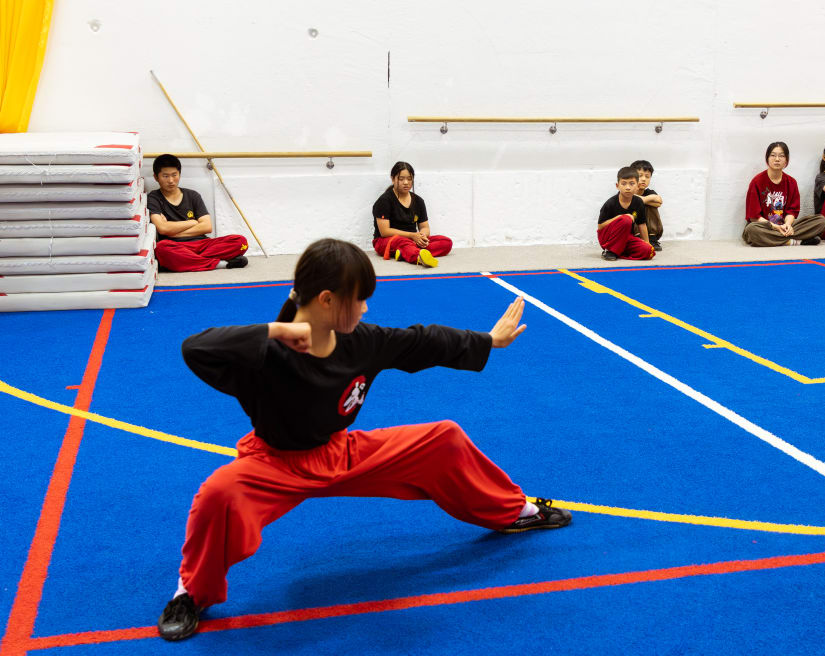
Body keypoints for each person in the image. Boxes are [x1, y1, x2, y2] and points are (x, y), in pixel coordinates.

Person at [157, 238, 571, 641]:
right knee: (217, 493)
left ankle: (515, 511)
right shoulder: (266, 354)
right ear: (326, 300)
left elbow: (422, 340)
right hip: (274, 464)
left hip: (340, 453)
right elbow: (196, 348)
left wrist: (487, 341)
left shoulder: (362, 341)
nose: (366, 307)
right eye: (358, 299)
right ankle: (191, 592)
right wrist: (273, 330)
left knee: (443, 438)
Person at [147, 154, 248, 272]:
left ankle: (189, 261)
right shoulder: (153, 198)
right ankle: (220, 264)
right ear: (156, 177)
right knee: (161, 249)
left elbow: (207, 227)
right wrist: (192, 222)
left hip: (203, 244)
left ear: (179, 174)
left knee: (241, 242)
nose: (171, 180)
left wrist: (173, 232)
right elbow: (163, 229)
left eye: (174, 175)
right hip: (176, 246)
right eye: (165, 176)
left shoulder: (193, 195)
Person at [743, 142, 825, 247]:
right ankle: (794, 241)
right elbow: (754, 217)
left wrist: (787, 225)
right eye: (773, 155)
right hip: (764, 227)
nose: (777, 159)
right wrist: (775, 227)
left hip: (784, 224)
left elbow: (792, 211)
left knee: (821, 221)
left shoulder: (791, 182)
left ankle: (776, 239)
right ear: (767, 159)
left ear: (786, 160)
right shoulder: (757, 181)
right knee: (751, 230)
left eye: (781, 156)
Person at [371, 162, 452, 268]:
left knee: (446, 242)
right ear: (392, 179)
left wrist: (422, 236)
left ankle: (403, 253)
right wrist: (412, 235)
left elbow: (425, 227)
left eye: (409, 179)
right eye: (401, 179)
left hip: (412, 239)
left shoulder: (418, 201)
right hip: (387, 241)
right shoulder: (384, 201)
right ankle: (418, 256)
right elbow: (384, 231)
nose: (406, 182)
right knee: (401, 241)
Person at [597, 167, 656, 261]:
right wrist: (620, 217)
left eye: (632, 184)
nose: (628, 187)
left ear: (637, 185)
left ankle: (618, 251)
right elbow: (600, 227)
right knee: (626, 219)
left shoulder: (639, 202)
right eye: (623, 183)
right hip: (607, 238)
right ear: (617, 185)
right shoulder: (610, 203)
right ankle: (610, 250)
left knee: (649, 251)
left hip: (627, 238)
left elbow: (642, 224)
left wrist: (647, 243)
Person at [631, 159, 664, 251]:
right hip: (632, 228)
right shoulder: (627, 191)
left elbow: (659, 201)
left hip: (649, 229)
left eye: (647, 176)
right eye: (640, 175)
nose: (644, 179)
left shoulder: (649, 192)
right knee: (635, 208)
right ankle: (638, 237)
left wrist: (643, 199)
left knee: (651, 206)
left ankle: (652, 238)